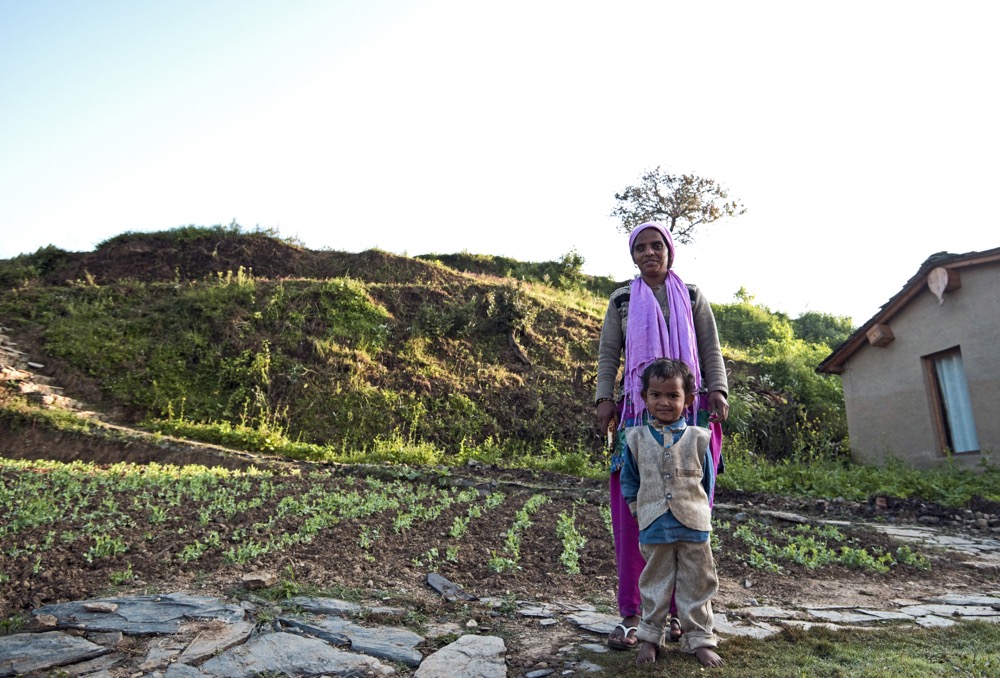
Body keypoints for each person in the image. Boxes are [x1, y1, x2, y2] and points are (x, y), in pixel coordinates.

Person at [595, 221, 728, 650]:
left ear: (669, 251)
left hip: (688, 415)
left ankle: (679, 618)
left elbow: (710, 348)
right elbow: (608, 354)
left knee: (688, 515)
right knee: (635, 514)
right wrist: (604, 400)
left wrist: (719, 392)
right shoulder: (620, 299)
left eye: (657, 246)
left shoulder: (691, 296)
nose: (649, 253)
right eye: (641, 248)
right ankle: (633, 616)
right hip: (637, 415)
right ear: (632, 256)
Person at [620, 358, 724, 667]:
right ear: (645, 398)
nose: (664, 402)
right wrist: (639, 509)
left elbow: (707, 480)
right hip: (654, 524)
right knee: (655, 584)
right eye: (656, 395)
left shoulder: (699, 438)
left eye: (673, 395)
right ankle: (650, 638)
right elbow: (630, 480)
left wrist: (700, 510)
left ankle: (700, 639)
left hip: (693, 524)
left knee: (698, 582)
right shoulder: (635, 439)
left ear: (688, 399)